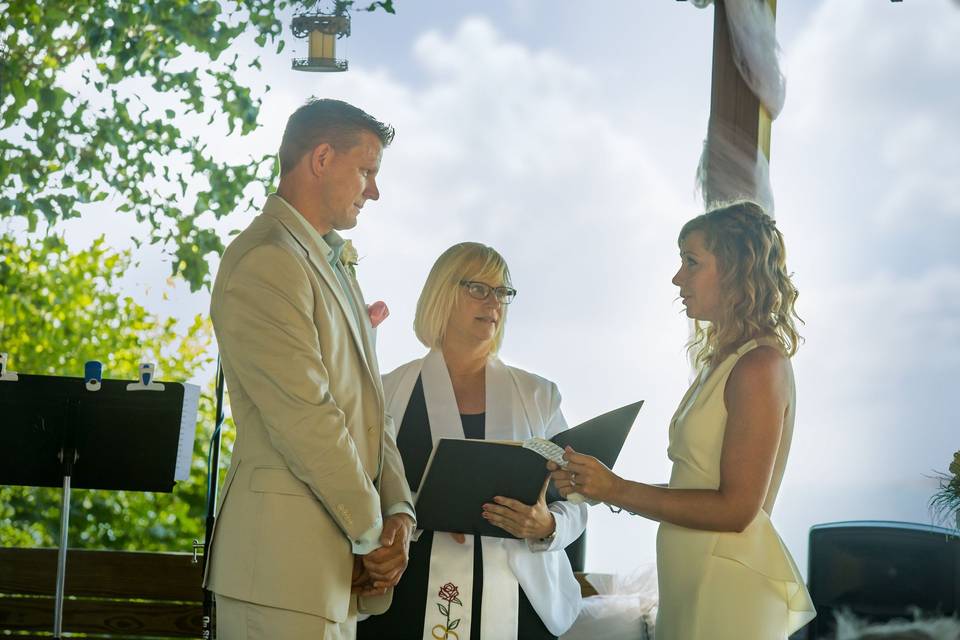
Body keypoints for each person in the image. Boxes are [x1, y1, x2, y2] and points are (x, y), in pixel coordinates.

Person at [550, 201, 816, 639]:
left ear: (735, 268)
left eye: (691, 262)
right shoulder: (725, 361)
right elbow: (698, 490)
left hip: (726, 592)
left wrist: (617, 489)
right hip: (694, 584)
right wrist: (600, 486)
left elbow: (736, 509)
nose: (677, 278)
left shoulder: (759, 366)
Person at [204, 98, 416, 639]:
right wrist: (374, 535)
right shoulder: (268, 260)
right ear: (322, 158)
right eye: (366, 171)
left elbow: (371, 409)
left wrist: (399, 514)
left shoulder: (330, 260)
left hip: (334, 578)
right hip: (278, 574)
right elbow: (308, 421)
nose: (374, 191)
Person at [358, 242, 587, 640]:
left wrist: (547, 525)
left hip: (520, 603)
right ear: (442, 293)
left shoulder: (539, 395)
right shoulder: (387, 393)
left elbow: (575, 501)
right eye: (479, 288)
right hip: (411, 596)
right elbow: (362, 490)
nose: (494, 302)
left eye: (502, 292)